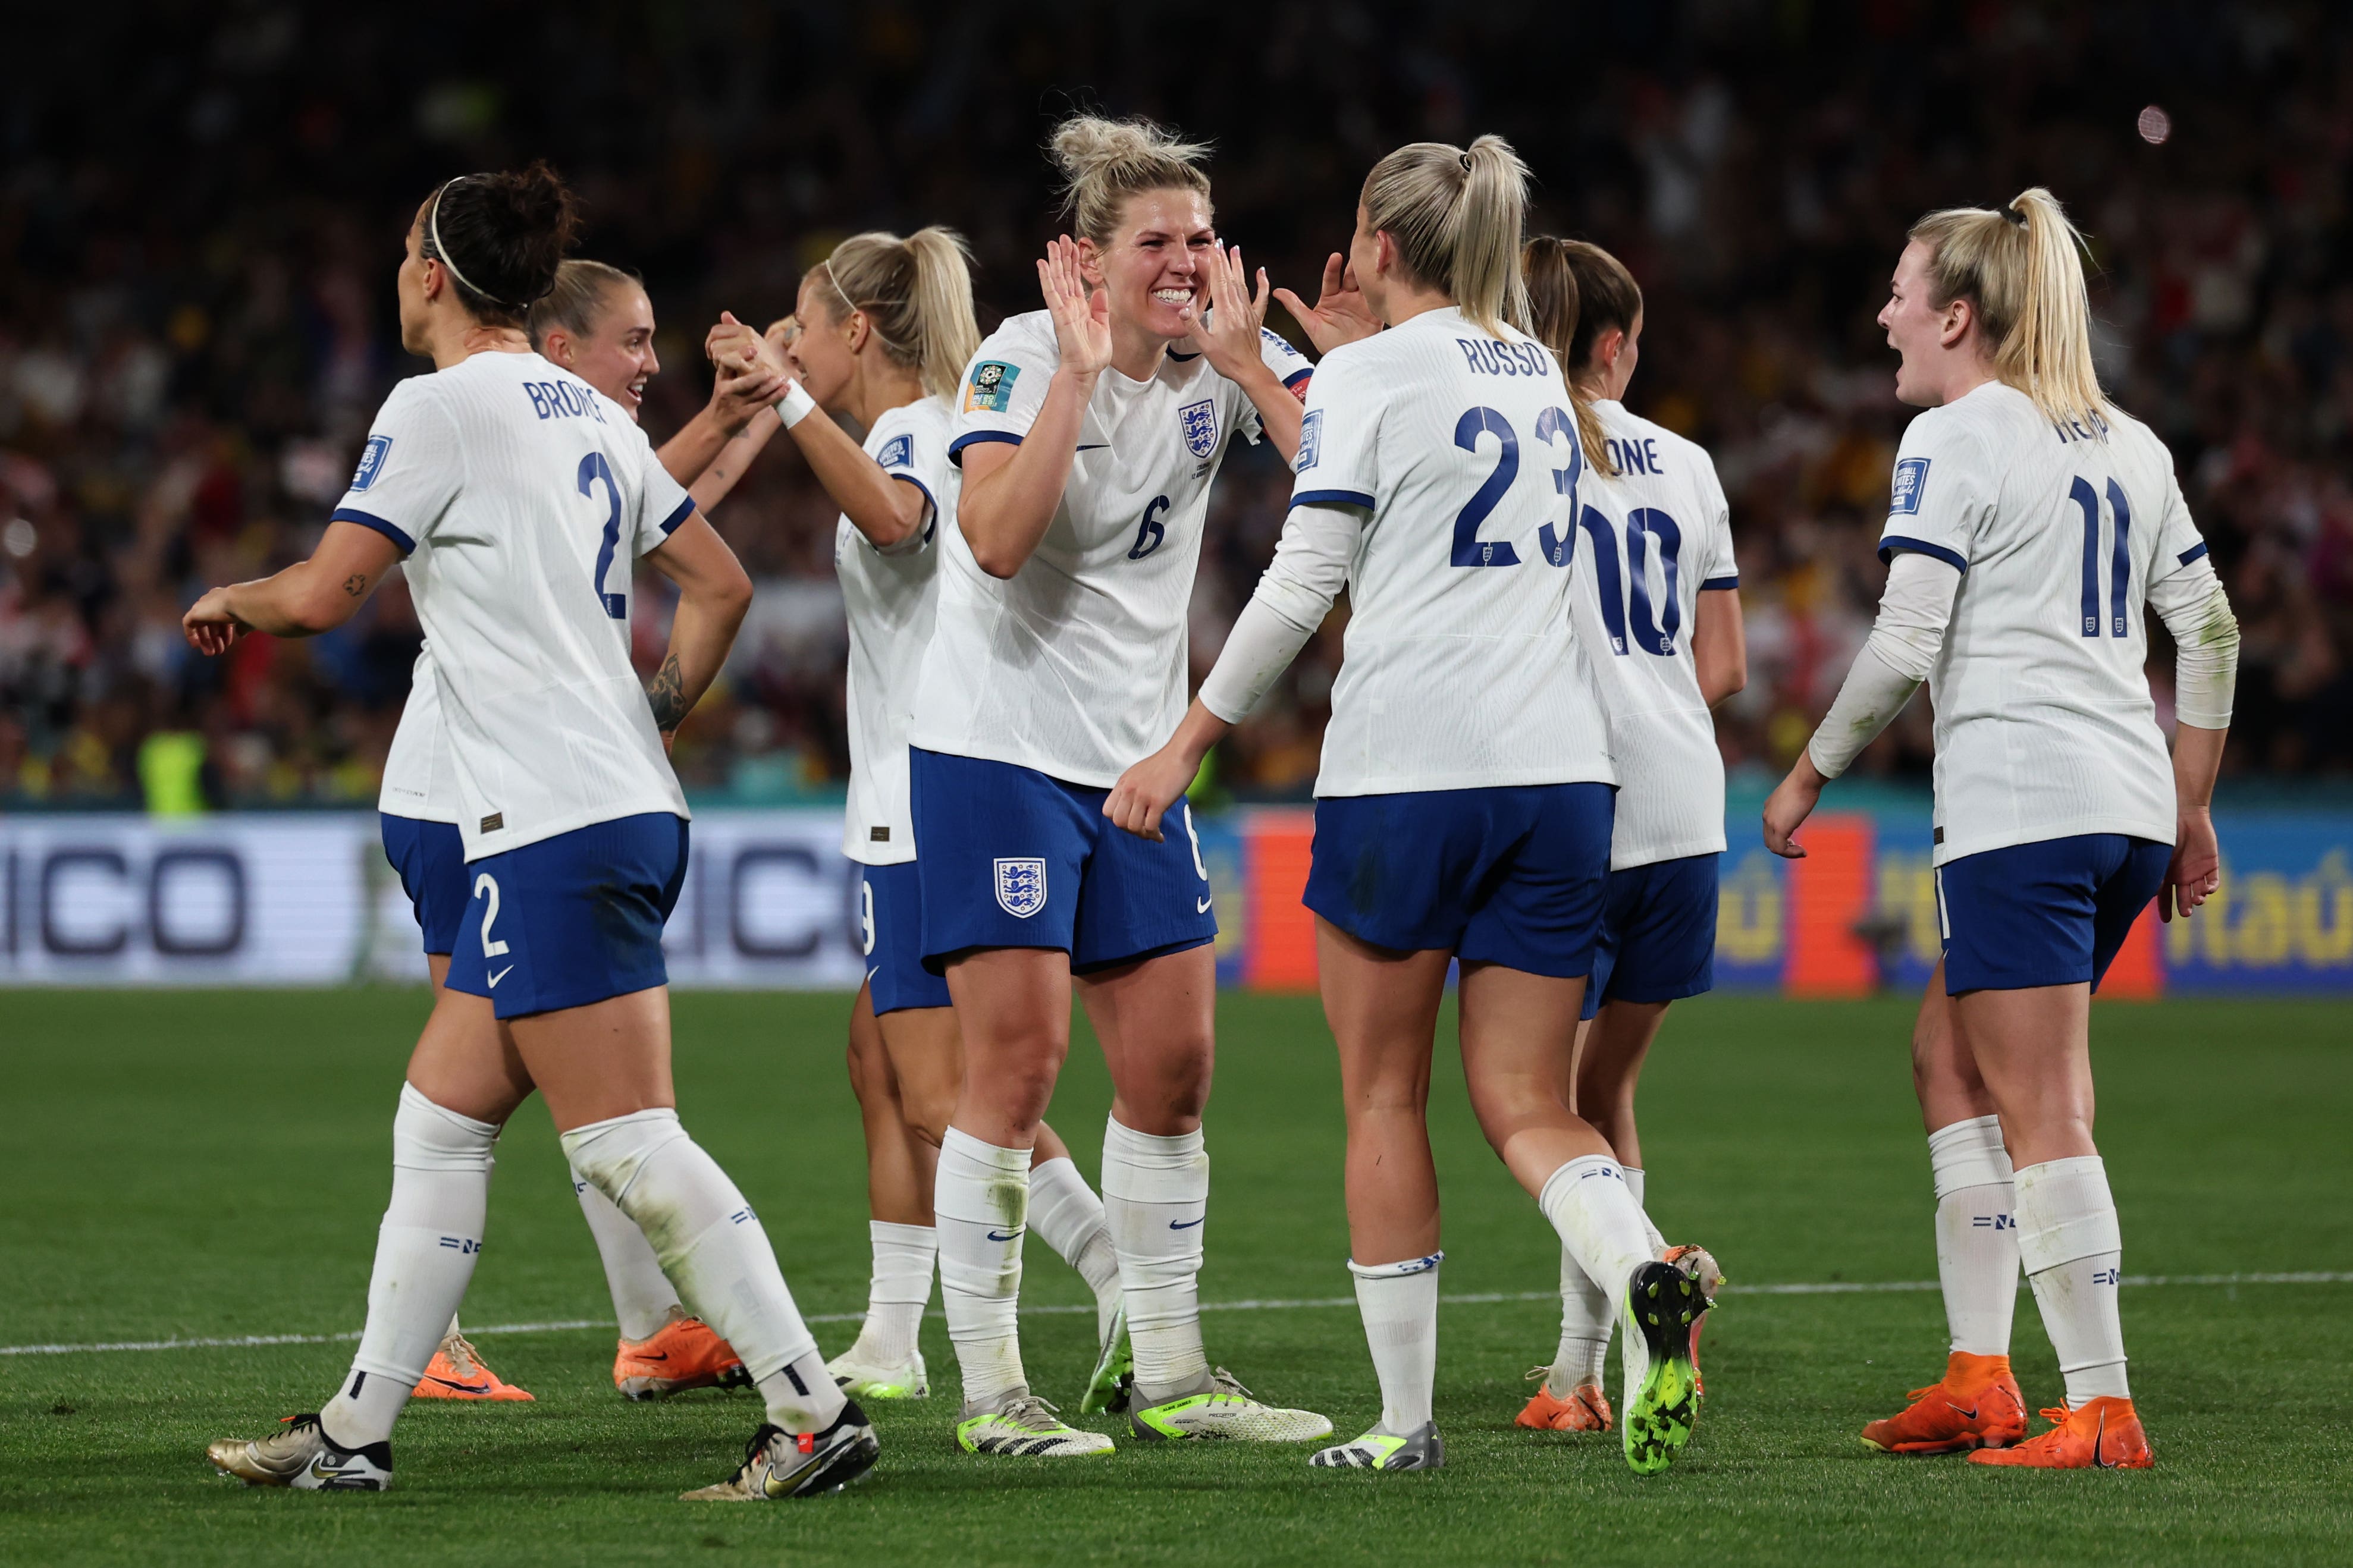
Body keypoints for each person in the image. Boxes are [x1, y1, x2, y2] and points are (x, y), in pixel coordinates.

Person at [196, 164, 876, 1501]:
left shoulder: (437, 406)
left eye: (405, 251)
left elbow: (332, 590)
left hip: (550, 819)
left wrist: (234, 592)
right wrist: (651, 712)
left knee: (624, 1139)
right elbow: (719, 582)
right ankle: (352, 1432)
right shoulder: (592, 412)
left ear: (436, 275)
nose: (399, 272)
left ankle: (811, 1407)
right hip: (594, 799)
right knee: (441, 1126)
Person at [1108, 137, 1711, 1477]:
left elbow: (1307, 573)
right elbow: (1424, 477)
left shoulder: (1375, 376)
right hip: (1559, 782)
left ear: (1378, 242)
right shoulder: (1543, 384)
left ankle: (1403, 1423)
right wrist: (1286, 372)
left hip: (1406, 774)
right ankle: (1643, 1270)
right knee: (1524, 1097)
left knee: (1385, 1096)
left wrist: (1188, 740)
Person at [1764, 188, 2239, 1470]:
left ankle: (2099, 1404)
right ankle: (1981, 1374)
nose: (1886, 317)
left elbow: (1907, 639)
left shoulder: (1961, 434)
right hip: (2121, 806)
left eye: (1902, 293)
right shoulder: (2130, 444)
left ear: (1958, 317)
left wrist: (1808, 769)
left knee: (2040, 1104)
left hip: (2021, 808)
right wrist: (2187, 803)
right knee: (1946, 1057)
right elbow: (2208, 630)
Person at [906, 113, 1326, 1458]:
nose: (1188, 262)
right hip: (1000, 754)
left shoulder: (1221, 359)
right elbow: (988, 539)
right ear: (1086, 263)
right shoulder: (1018, 356)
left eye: (1200, 238)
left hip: (1138, 761)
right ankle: (990, 1392)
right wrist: (1080, 377)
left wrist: (1261, 376)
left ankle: (1175, 1372)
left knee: (1176, 1068)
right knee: (1017, 1070)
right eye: (1156, 241)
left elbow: (1363, 492)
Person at [368, 259, 788, 1409]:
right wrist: (735, 414)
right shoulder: (508, 424)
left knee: (562, 1084)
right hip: (468, 792)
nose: (649, 363)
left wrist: (743, 413)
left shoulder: (564, 431)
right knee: (502, 1088)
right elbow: (662, 506)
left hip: (509, 788)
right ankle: (437, 1336)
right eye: (634, 341)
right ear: (559, 350)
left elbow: (654, 498)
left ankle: (644, 1325)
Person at [749, 229, 1130, 1408]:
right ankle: (890, 1332)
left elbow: (899, 520)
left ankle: (1122, 1273)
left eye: (803, 325)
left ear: (855, 331)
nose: (789, 342)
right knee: (878, 1061)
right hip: (905, 797)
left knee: (945, 1091)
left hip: (925, 802)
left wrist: (788, 401)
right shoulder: (895, 421)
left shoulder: (915, 423)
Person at [1514, 238, 1742, 1435]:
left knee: (1541, 1101)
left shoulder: (1523, 451)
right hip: (1683, 801)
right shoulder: (1693, 464)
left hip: (1564, 798)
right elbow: (1727, 664)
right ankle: (1580, 1370)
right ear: (1611, 344)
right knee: (1610, 1089)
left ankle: (1585, 1362)